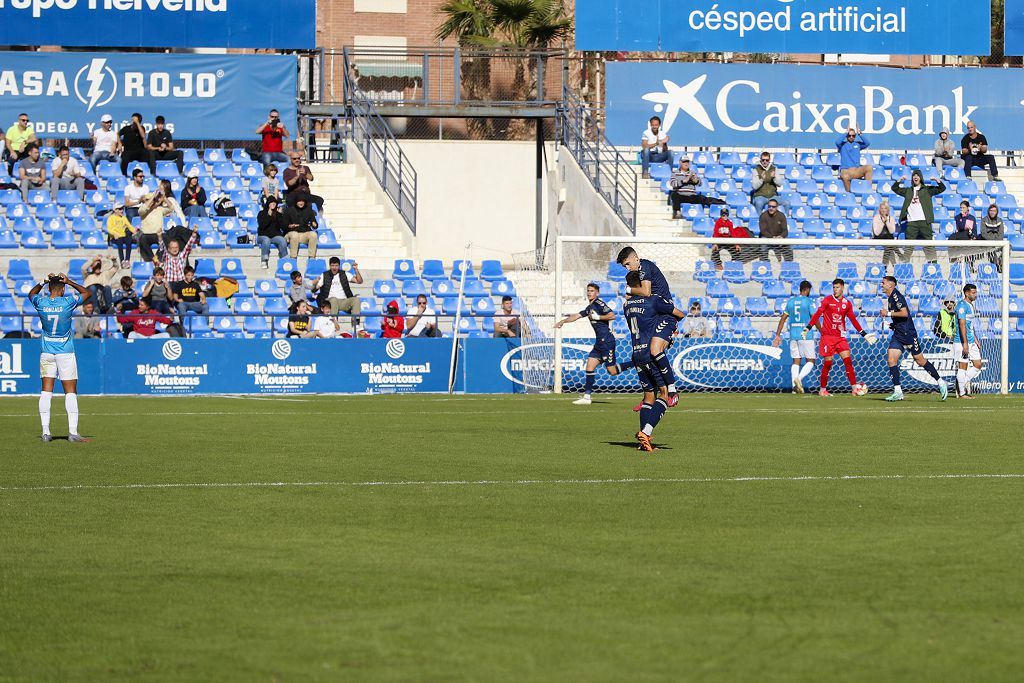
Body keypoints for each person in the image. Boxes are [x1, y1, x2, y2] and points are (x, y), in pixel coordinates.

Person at [622, 270, 687, 452]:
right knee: (664, 394)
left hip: (636, 354)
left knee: (648, 396)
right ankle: (646, 433)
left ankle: (644, 441)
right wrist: (669, 330)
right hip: (650, 354)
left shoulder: (626, 306)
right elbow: (680, 314)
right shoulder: (653, 301)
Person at [617, 246, 684, 406]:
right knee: (642, 352)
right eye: (625, 266)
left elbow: (646, 292)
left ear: (636, 258)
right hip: (656, 313)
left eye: (627, 264)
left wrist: (628, 289)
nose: (627, 268)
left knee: (654, 349)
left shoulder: (644, 266)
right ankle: (649, 396)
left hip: (665, 313)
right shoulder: (638, 272)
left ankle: (672, 390)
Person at [29, 273, 91, 442]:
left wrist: (42, 281)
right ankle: (72, 432)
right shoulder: (67, 303)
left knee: (46, 391)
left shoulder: (41, 303)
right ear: (63, 289)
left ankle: (46, 432)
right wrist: (69, 281)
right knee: (70, 392)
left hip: (47, 352)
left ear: (49, 289)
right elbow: (87, 293)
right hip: (65, 352)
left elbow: (31, 294)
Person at [554, 283, 634, 405]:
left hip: (607, 341)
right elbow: (577, 316)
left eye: (592, 291)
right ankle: (587, 397)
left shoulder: (599, 304)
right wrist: (563, 321)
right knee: (589, 367)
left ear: (597, 293)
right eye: (588, 291)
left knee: (612, 371)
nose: (589, 293)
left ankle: (636, 362)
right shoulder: (589, 307)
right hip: (599, 343)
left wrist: (599, 317)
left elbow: (612, 315)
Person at [802, 278, 877, 397]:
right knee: (828, 364)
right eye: (834, 287)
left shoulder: (847, 303)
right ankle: (822, 390)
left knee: (848, 361)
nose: (835, 290)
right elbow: (817, 314)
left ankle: (854, 389)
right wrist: (808, 327)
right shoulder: (827, 300)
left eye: (837, 287)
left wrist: (864, 333)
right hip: (828, 337)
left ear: (842, 288)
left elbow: (852, 319)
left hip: (841, 337)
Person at [879, 275, 947, 402]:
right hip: (898, 334)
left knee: (920, 361)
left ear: (890, 285)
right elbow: (900, 317)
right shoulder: (890, 298)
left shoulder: (896, 296)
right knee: (891, 359)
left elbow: (904, 313)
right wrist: (893, 325)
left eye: (883, 283)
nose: (881, 285)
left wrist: (887, 314)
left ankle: (940, 382)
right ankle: (898, 391)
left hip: (908, 334)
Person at [771, 280, 817, 394]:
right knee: (811, 360)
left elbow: (783, 319)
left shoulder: (790, 302)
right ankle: (799, 379)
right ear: (807, 290)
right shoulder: (809, 302)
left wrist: (777, 335)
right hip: (806, 335)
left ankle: (794, 388)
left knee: (796, 361)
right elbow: (814, 318)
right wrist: (822, 331)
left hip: (793, 335)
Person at [891, 169, 944, 263]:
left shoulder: (927, 190)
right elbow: (895, 189)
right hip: (912, 222)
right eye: (914, 175)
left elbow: (941, 189)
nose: (915, 177)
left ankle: (934, 266)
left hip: (924, 221)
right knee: (909, 247)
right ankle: (904, 265)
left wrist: (937, 181)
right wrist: (899, 180)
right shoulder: (908, 190)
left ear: (921, 178)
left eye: (917, 175)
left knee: (929, 246)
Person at [313, 257, 363, 332]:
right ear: (330, 266)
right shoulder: (324, 275)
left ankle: (355, 325)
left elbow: (359, 281)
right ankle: (333, 324)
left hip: (343, 301)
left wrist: (356, 269)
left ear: (339, 266)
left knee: (356, 300)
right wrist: (315, 283)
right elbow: (315, 288)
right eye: (332, 265)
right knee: (334, 299)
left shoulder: (345, 274)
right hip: (330, 301)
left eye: (336, 265)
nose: (334, 268)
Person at [954, 284, 985, 399]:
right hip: (962, 341)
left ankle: (960, 383)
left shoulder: (970, 305)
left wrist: (975, 339)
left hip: (971, 340)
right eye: (973, 292)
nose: (975, 294)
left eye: (975, 292)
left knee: (978, 364)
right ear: (966, 293)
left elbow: (970, 325)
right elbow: (962, 325)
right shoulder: (962, 306)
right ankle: (962, 393)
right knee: (963, 366)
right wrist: (965, 343)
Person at [836, 127, 872, 192]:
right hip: (846, 170)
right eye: (849, 135)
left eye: (853, 135)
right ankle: (849, 194)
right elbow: (837, 142)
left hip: (856, 170)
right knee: (845, 176)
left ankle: (868, 189)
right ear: (847, 136)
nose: (851, 137)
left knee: (869, 167)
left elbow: (867, 143)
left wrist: (860, 134)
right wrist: (845, 133)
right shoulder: (842, 145)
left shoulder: (858, 144)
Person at [257, 196, 289, 269]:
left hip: (274, 236)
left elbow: (283, 227)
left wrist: (281, 215)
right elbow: (262, 226)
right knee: (266, 240)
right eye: (272, 203)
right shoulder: (261, 213)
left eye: (275, 203)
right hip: (263, 236)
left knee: (282, 240)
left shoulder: (277, 214)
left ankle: (284, 259)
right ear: (268, 204)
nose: (273, 204)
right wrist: (268, 216)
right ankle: (264, 260)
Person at [283, 194, 318, 259]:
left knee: (313, 234)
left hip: (304, 234)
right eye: (299, 201)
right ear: (296, 202)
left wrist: (314, 224)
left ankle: (312, 257)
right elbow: (284, 225)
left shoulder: (309, 210)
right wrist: (290, 226)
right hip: (291, 233)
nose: (301, 203)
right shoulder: (289, 210)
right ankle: (293, 257)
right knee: (294, 235)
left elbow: (314, 224)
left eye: (302, 201)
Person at [871, 201, 900, 271]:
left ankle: (885, 267)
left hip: (889, 239)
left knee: (890, 247)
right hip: (879, 238)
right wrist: (882, 222)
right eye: (882, 208)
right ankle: (894, 266)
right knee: (890, 248)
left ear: (888, 210)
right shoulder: (876, 218)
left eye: (885, 208)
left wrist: (887, 222)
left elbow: (892, 231)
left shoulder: (891, 218)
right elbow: (877, 232)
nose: (883, 210)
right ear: (879, 210)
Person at [640, 115, 671, 179]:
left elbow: (665, 149)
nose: (654, 127)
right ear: (650, 125)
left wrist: (664, 143)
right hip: (649, 156)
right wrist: (656, 143)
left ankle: (669, 172)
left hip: (659, 155)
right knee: (646, 150)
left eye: (656, 125)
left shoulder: (662, 133)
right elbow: (644, 146)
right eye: (653, 125)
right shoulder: (646, 133)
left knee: (671, 152)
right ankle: (645, 172)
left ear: (659, 125)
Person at [118, 113, 148, 177]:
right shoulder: (126, 128)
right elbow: (117, 134)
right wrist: (119, 143)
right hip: (128, 151)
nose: (133, 122)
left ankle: (147, 174)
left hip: (139, 151)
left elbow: (143, 136)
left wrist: (137, 123)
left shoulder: (141, 128)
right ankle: (124, 175)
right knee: (124, 158)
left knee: (147, 154)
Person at [106, 203, 134, 268]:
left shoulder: (124, 218)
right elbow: (109, 229)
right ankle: (122, 261)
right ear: (115, 210)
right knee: (120, 242)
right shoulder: (111, 218)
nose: (122, 211)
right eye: (120, 209)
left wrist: (135, 231)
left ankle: (127, 260)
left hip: (122, 236)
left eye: (122, 209)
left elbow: (129, 226)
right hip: (115, 237)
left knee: (129, 240)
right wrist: (114, 233)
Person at [980, 204, 1005, 272]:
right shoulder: (984, 220)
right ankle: (996, 266)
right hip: (987, 242)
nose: (992, 212)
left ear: (997, 212)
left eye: (994, 211)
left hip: (997, 242)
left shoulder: (1000, 220)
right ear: (988, 211)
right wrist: (992, 240)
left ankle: (1000, 262)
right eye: (991, 210)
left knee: (1008, 246)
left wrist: (995, 241)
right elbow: (984, 234)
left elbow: (1001, 234)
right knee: (991, 248)